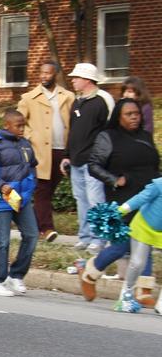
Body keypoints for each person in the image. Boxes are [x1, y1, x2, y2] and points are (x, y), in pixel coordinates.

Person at [80, 98, 159, 304]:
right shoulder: (108, 137)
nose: (134, 117)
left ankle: (144, 291)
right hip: (121, 196)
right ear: (119, 116)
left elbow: (153, 166)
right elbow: (94, 166)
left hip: (147, 195)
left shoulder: (145, 136)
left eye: (137, 113)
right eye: (129, 114)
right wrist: (114, 180)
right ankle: (90, 272)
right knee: (122, 245)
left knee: (145, 241)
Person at [0, 110, 39, 297]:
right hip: (3, 198)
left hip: (22, 199)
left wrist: (31, 185)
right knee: (2, 240)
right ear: (7, 125)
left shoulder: (25, 144)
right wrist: (1, 186)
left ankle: (16, 275)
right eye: (18, 125)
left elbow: (32, 166)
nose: (22, 129)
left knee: (32, 235)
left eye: (23, 125)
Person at [17, 61, 75, 242]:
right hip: (40, 150)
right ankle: (47, 229)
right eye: (41, 73)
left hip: (61, 150)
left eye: (48, 73)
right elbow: (18, 120)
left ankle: (33, 226)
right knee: (42, 190)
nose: (44, 76)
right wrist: (30, 135)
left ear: (55, 74)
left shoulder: (68, 97)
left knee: (48, 191)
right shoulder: (29, 98)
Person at [62, 63, 111, 253]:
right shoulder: (77, 102)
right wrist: (67, 156)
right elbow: (72, 131)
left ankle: (99, 239)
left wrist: (101, 158)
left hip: (93, 162)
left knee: (95, 200)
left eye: (76, 77)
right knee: (81, 200)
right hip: (75, 161)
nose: (73, 80)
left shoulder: (101, 102)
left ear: (88, 80)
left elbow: (107, 133)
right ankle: (85, 237)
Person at [117, 179, 162, 313]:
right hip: (144, 226)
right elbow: (140, 198)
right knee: (137, 263)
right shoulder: (159, 184)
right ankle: (126, 295)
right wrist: (118, 212)